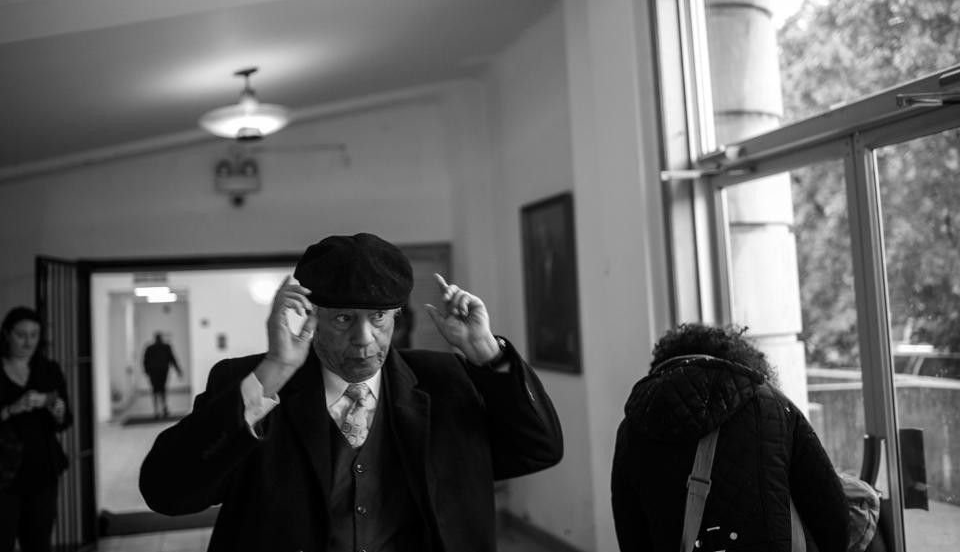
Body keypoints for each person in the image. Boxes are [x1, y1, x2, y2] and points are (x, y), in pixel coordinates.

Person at [140, 232, 563, 552]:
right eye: (343, 319)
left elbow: (539, 449)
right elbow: (168, 493)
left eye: (378, 317)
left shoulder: (447, 380)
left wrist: (487, 354)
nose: (364, 339)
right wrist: (277, 369)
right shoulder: (248, 381)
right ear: (309, 316)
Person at [611, 323, 849, 552]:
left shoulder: (633, 426)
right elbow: (833, 520)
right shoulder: (772, 407)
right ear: (738, 363)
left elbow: (631, 535)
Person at [0, 307, 72, 552]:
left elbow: (65, 421)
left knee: (39, 543)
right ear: (7, 334)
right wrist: (12, 409)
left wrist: (58, 410)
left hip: (42, 470)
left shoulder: (48, 369)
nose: (28, 341)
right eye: (21, 334)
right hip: (4, 474)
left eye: (34, 334)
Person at [142, 331, 182, 418]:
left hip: (156, 372)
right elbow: (172, 359)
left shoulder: (152, 347)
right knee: (161, 390)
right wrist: (178, 370)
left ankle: (158, 410)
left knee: (156, 390)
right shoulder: (164, 347)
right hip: (160, 371)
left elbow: (145, 361)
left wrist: (146, 371)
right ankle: (162, 409)